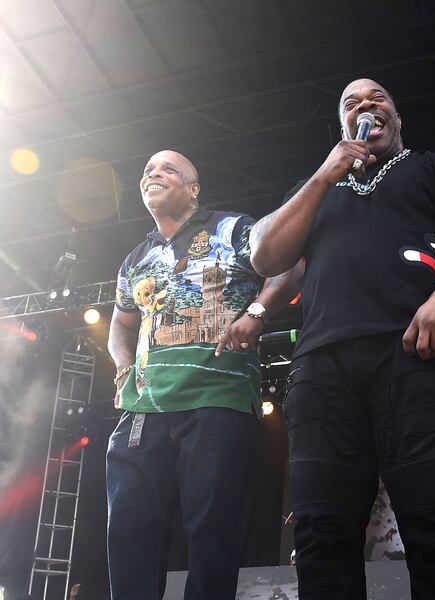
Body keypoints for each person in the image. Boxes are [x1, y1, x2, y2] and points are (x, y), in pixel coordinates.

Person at [249, 78, 435, 600]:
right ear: (341, 124)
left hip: (413, 355)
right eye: (352, 103)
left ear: (397, 116)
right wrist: (325, 175)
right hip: (322, 368)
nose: (366, 106)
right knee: (321, 536)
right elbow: (266, 256)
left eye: (378, 99)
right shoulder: (315, 191)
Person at [106, 149, 300, 600]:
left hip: (218, 398)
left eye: (168, 169)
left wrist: (257, 310)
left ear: (194, 189)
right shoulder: (136, 257)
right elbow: (121, 319)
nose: (154, 174)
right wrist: (121, 364)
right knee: (129, 530)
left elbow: (288, 262)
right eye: (148, 170)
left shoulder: (232, 228)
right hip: (144, 407)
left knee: (212, 531)